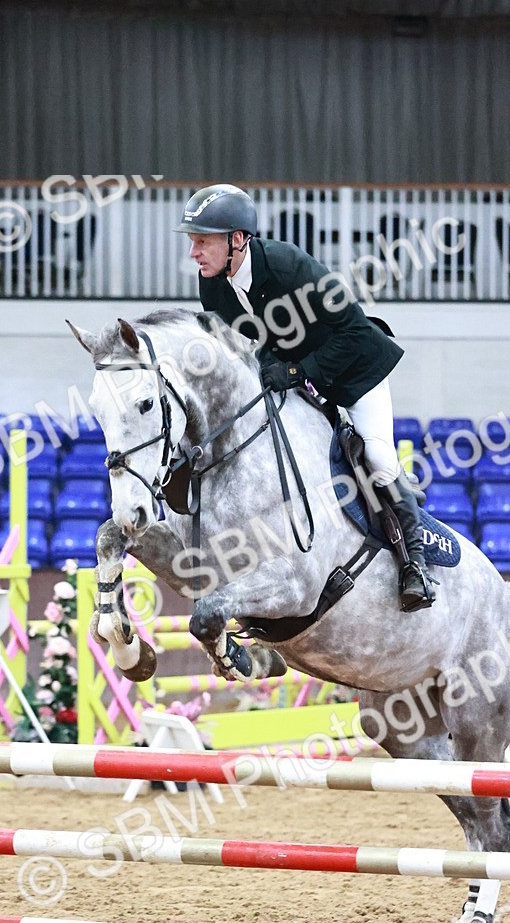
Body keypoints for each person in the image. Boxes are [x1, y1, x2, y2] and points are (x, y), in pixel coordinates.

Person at [175, 183, 437, 612]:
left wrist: (298, 371)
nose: (194, 253)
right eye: (193, 241)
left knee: (379, 459)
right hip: (298, 380)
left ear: (237, 239)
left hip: (356, 372)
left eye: (203, 241)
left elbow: (352, 330)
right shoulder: (214, 287)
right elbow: (247, 344)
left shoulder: (288, 266)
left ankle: (415, 564)